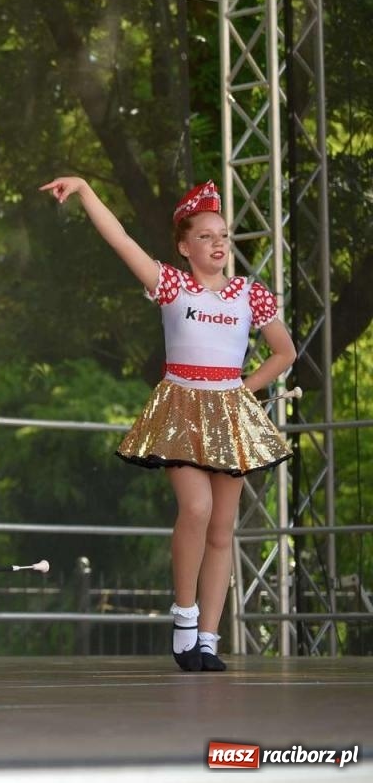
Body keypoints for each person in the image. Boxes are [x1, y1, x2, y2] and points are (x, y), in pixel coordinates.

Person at [42, 176, 294, 671]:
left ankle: (207, 638)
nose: (218, 243)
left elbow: (283, 352)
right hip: (181, 407)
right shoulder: (172, 285)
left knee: (223, 529)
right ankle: (184, 613)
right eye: (205, 236)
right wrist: (88, 190)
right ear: (184, 246)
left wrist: (247, 388)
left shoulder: (250, 293)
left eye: (223, 235)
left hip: (230, 410)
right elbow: (121, 240)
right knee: (196, 508)